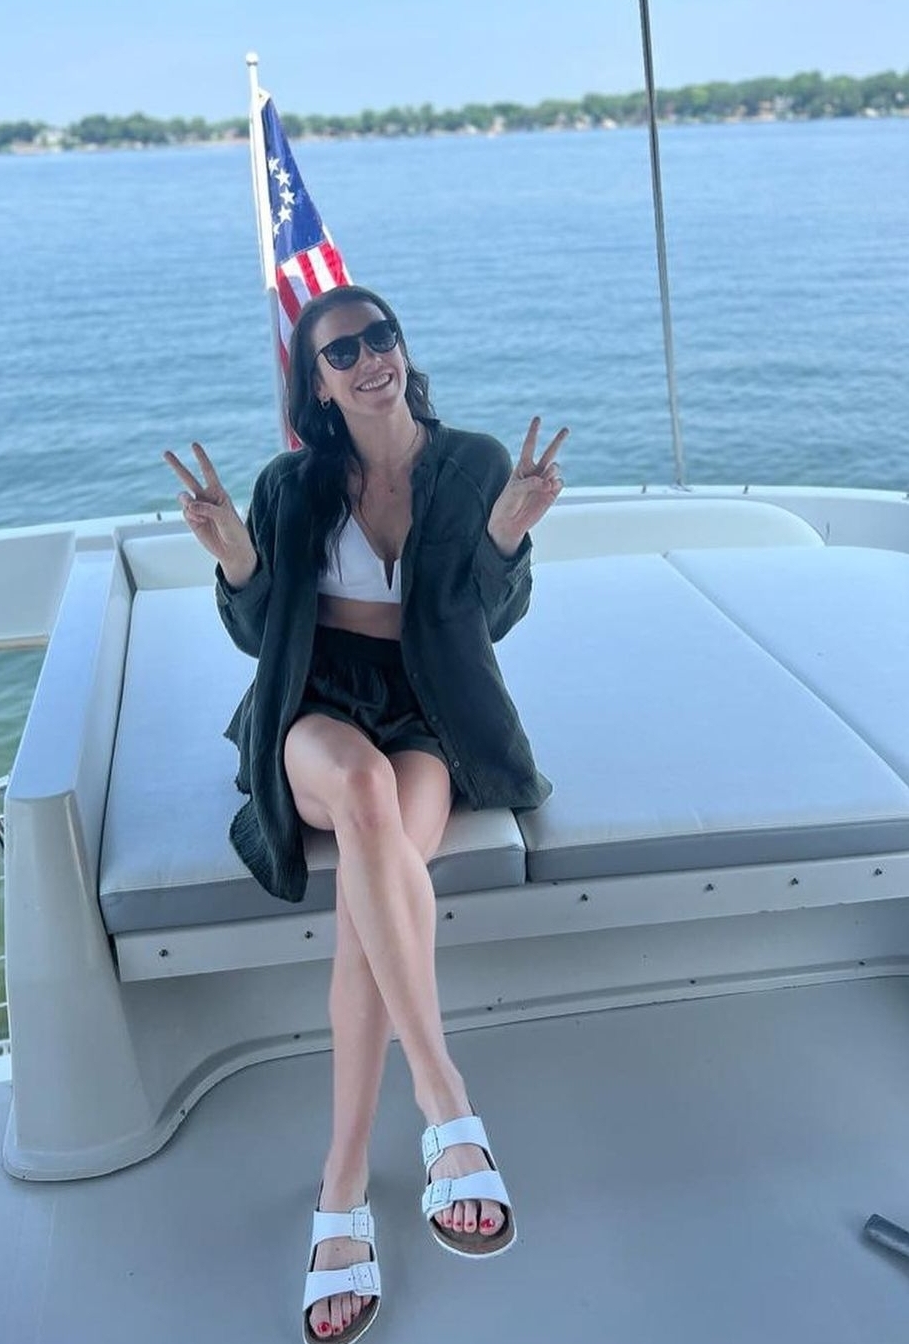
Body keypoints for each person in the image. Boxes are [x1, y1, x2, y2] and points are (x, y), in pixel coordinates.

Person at [165, 284, 565, 1344]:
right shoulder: (290, 483)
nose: (367, 358)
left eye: (379, 337)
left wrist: (507, 538)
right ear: (317, 382)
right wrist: (234, 553)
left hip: (427, 707)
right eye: (340, 351)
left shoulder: (473, 463)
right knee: (361, 792)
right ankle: (444, 1102)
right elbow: (260, 632)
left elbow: (488, 619)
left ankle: (340, 1186)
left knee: (370, 885)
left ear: (400, 348)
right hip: (314, 705)